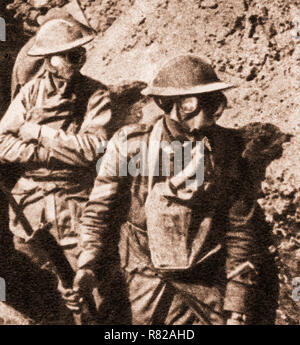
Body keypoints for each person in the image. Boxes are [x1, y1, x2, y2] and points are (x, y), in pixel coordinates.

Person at [73, 54, 263, 325]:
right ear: (171, 105)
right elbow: (98, 210)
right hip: (143, 276)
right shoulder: (131, 145)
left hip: (204, 281)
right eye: (195, 103)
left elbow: (241, 230)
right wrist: (87, 262)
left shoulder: (228, 150)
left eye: (214, 100)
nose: (211, 112)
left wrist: (237, 306)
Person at [0, 17, 114, 324]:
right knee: (45, 294)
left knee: (89, 296)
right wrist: (46, 153)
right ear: (49, 60)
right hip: (31, 210)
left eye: (81, 54)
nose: (79, 61)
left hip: (75, 205)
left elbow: (92, 149)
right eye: (71, 55)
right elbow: (1, 142)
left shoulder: (96, 95)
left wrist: (37, 133)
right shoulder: (28, 95)